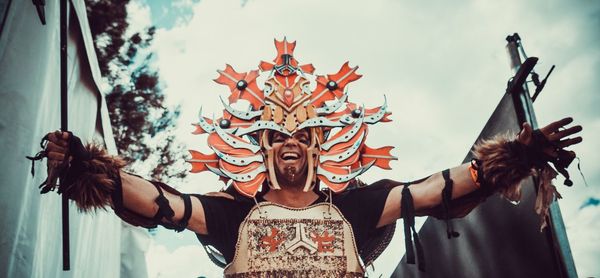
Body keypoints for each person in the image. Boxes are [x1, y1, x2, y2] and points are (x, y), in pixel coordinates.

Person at [39, 39, 582, 277]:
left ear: (319, 144)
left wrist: (512, 155)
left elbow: (438, 191)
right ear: (265, 147)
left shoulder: (361, 206)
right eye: (278, 133)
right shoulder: (232, 214)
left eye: (302, 131)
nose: (291, 139)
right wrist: (90, 170)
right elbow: (162, 204)